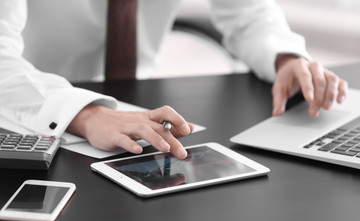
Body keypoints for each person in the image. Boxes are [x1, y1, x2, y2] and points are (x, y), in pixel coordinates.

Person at [0, 0, 347, 159]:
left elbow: (250, 16)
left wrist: (286, 57)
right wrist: (86, 114)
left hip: (141, 110)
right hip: (30, 114)